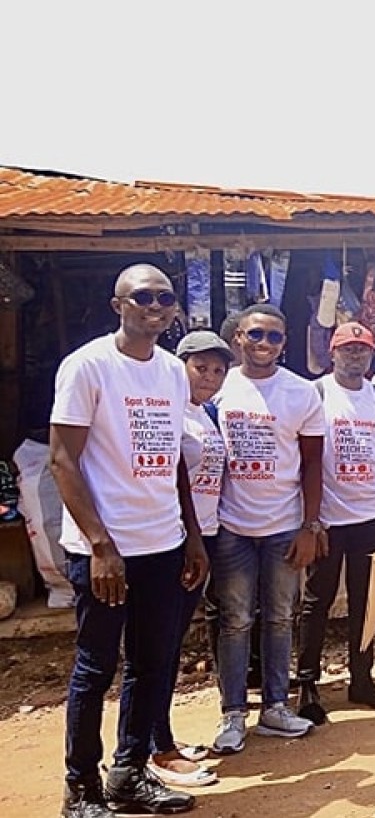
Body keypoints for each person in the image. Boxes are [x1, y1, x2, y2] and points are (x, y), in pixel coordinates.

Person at [52, 265, 207, 817]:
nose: (155, 306)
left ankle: (129, 775)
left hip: (162, 544)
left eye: (165, 297)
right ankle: (81, 789)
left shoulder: (172, 372)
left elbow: (173, 459)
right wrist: (100, 545)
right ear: (118, 304)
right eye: (143, 296)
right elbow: (62, 460)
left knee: (152, 663)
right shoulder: (88, 366)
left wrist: (191, 535)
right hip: (105, 552)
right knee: (96, 669)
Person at [212, 303, 324, 753]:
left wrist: (310, 525)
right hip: (231, 525)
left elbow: (313, 464)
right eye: (255, 334)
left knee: (279, 617)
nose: (264, 343)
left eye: (274, 337)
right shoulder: (218, 387)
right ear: (238, 338)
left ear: (285, 343)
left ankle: (276, 707)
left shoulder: (301, 392)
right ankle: (233, 714)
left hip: (284, 526)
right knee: (235, 620)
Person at [295, 323, 375, 721]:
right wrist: (309, 520)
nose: (355, 355)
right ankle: (308, 684)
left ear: (372, 354)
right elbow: (303, 459)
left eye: (363, 349)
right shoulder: (315, 394)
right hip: (327, 520)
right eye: (348, 349)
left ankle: (361, 678)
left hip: (371, 515)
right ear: (332, 353)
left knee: (367, 601)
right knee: (317, 600)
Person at [147, 332, 232, 790]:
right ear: (180, 367)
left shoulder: (205, 413)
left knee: (171, 642)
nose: (210, 377)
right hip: (177, 539)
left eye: (218, 370)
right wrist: (191, 537)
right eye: (201, 368)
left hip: (206, 536)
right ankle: (154, 747)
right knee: (157, 646)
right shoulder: (170, 413)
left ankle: (160, 736)